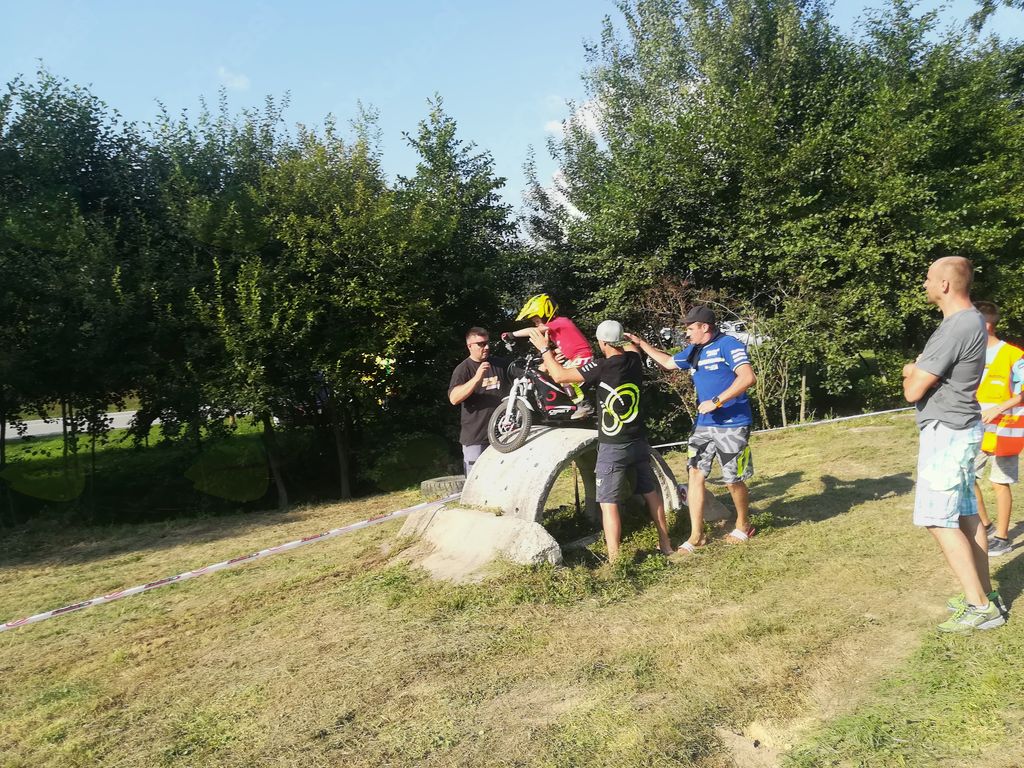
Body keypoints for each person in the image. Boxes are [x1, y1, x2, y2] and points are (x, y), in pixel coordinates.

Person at [902, 257, 1005, 632]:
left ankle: (980, 606)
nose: (925, 284)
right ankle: (986, 593)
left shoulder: (955, 326)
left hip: (946, 433)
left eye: (929, 278)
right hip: (962, 429)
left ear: (945, 284)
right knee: (965, 514)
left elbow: (914, 390)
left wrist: (910, 370)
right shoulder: (973, 319)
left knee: (936, 519)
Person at [528, 320, 673, 562]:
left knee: (608, 502)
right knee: (650, 492)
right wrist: (632, 340)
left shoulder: (601, 366)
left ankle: (615, 559)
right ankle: (666, 544)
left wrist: (544, 349)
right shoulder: (634, 360)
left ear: (602, 342)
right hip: (638, 439)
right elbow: (633, 347)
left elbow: (560, 376)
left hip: (613, 443)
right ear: (622, 340)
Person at [626, 306, 757, 553]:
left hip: (733, 424)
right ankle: (697, 535)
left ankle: (743, 524)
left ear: (704, 327)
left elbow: (748, 377)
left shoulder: (729, 345)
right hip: (704, 425)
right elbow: (667, 362)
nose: (686, 333)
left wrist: (717, 401)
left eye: (690, 328)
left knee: (733, 479)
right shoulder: (694, 350)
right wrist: (641, 344)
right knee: (695, 473)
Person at [971, 301, 1024, 558]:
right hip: (977, 427)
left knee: (999, 482)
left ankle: (1002, 538)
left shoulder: (1013, 354)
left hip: (1006, 429)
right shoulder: (972, 354)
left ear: (986, 325)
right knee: (967, 477)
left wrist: (999, 408)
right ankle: (986, 526)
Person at [507, 294, 594, 418]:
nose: (536, 325)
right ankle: (570, 404)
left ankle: (584, 406)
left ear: (545, 314)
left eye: (537, 321)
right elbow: (567, 345)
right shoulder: (556, 330)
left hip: (582, 357)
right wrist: (552, 353)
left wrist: (512, 334)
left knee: (564, 378)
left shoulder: (559, 322)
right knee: (551, 373)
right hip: (576, 357)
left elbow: (533, 331)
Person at [448, 327, 509, 476]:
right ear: (470, 346)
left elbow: (522, 377)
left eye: (487, 343)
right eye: (481, 344)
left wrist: (545, 365)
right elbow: (454, 398)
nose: (486, 347)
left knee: (502, 478)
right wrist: (476, 378)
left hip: (503, 434)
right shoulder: (463, 369)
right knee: (476, 481)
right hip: (476, 438)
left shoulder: (500, 364)